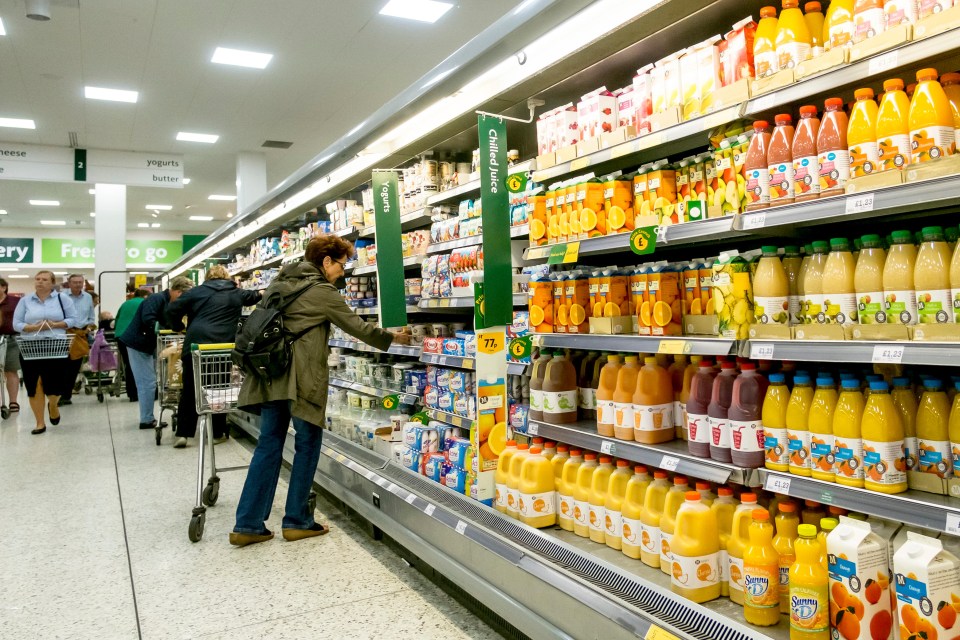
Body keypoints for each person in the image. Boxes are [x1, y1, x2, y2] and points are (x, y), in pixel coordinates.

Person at [231, 235, 411, 547]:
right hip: (299, 378)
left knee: (268, 445)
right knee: (308, 443)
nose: (343, 271)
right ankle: (298, 521)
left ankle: (247, 525)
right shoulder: (322, 291)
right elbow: (359, 328)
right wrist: (394, 338)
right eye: (341, 264)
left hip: (270, 373)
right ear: (326, 261)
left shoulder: (279, 282)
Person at [167, 265, 260, 449]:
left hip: (196, 347)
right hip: (221, 348)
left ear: (208, 277)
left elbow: (171, 310)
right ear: (227, 277)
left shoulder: (195, 292)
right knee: (218, 390)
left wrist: (177, 326)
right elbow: (257, 295)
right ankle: (217, 433)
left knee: (190, 390)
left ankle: (183, 434)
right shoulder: (237, 293)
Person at [119, 277, 194, 430]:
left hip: (149, 345)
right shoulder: (156, 298)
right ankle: (146, 420)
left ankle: (148, 417)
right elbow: (148, 318)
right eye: (183, 295)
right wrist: (164, 329)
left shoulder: (169, 302)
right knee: (147, 382)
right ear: (177, 291)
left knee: (152, 381)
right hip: (137, 344)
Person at [13, 270, 78, 434]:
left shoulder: (62, 299)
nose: (40, 282)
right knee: (34, 385)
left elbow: (72, 319)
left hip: (56, 345)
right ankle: (40, 423)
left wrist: (54, 325)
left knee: (55, 386)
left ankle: (53, 405)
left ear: (52, 283)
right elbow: (16, 324)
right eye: (37, 279)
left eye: (44, 279)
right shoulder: (25, 300)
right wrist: (32, 328)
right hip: (30, 346)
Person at [59, 274, 96, 406]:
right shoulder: (61, 296)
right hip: (63, 334)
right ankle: (59, 395)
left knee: (74, 367)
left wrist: (89, 328)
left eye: (80, 282)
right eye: (75, 282)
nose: (78, 284)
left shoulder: (87, 297)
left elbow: (91, 316)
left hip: (80, 335)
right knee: (61, 366)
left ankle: (66, 396)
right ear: (69, 283)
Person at [115, 288, 149, 402]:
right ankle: (139, 393)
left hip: (120, 336)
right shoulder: (145, 302)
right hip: (135, 336)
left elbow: (117, 319)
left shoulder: (125, 303)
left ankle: (132, 394)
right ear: (145, 296)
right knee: (139, 365)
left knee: (128, 365)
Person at [0, 278, 23, 417]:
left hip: (12, 339)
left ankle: (13, 401)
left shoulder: (15, 301)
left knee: (11, 371)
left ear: (4, 287)